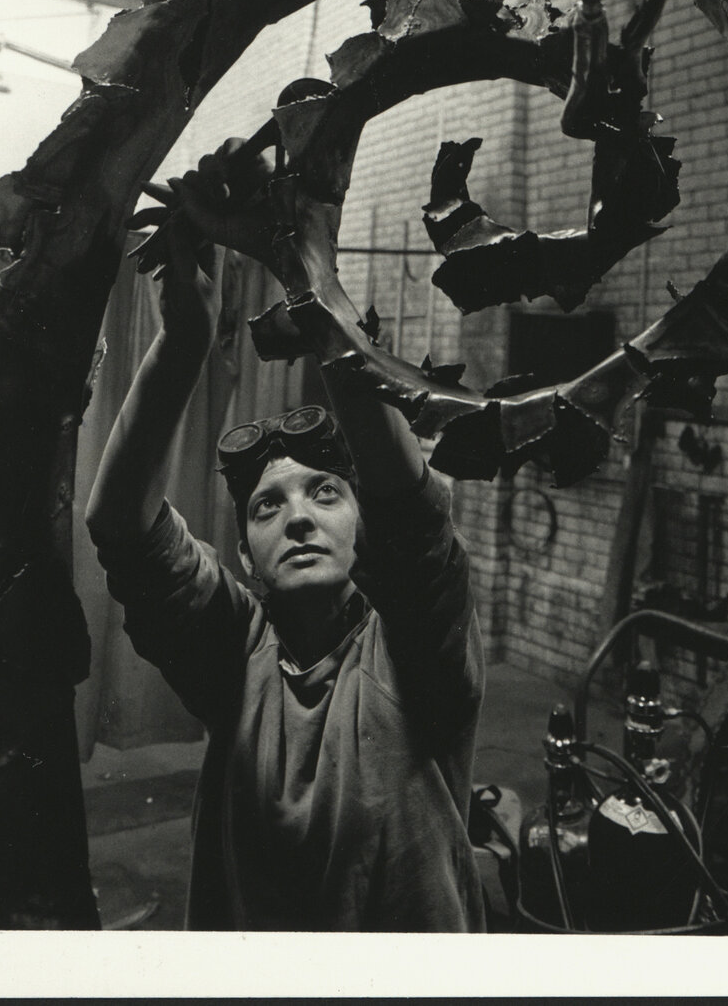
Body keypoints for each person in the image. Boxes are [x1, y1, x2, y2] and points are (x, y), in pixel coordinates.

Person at [85, 156, 486, 932]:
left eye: (324, 493)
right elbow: (121, 531)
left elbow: (413, 515)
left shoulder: (416, 657)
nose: (297, 516)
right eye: (268, 506)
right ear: (243, 557)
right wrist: (185, 338)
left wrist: (293, 259)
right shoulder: (235, 657)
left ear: (360, 527)